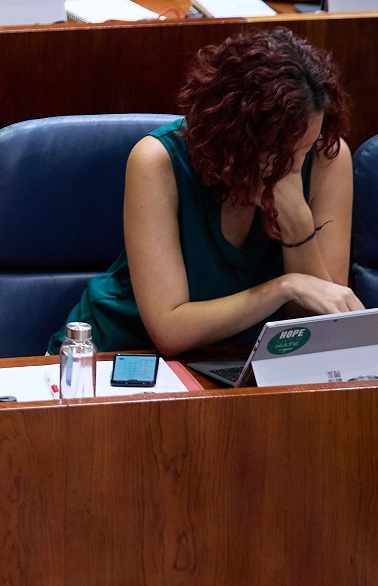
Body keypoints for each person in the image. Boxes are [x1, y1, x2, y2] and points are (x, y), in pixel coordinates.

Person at [47, 28, 363, 357]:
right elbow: (170, 331)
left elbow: (323, 326)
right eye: (280, 153)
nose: (296, 167)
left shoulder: (327, 158)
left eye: (306, 148)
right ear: (236, 139)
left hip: (239, 364)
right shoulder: (157, 161)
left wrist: (297, 221)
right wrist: (285, 287)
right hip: (120, 355)